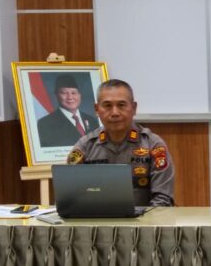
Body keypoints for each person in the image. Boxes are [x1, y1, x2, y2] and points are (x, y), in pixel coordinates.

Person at [66, 79, 174, 207]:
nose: (115, 113)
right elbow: (70, 196)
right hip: (97, 221)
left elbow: (162, 199)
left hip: (143, 223)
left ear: (134, 108)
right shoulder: (85, 146)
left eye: (122, 105)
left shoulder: (153, 145)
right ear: (96, 109)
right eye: (107, 105)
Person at [36, 74, 99, 147]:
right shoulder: (45, 124)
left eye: (73, 93)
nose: (70, 97)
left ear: (80, 95)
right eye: (64, 93)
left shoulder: (92, 121)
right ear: (56, 95)